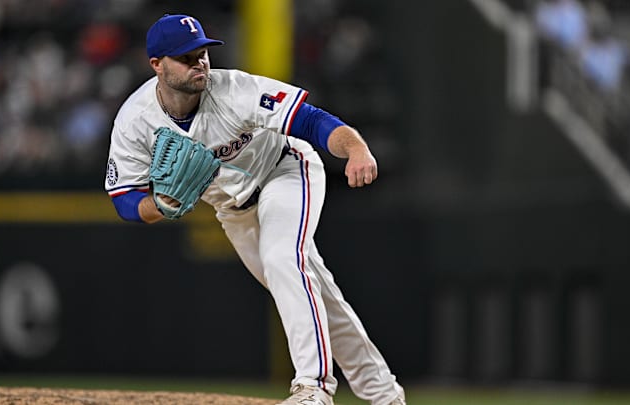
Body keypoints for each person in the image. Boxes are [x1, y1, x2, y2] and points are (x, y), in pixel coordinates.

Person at [103, 13, 406, 405]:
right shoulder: (135, 121)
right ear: (156, 65)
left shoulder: (233, 90)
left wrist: (355, 148)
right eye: (185, 57)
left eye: (202, 53)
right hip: (233, 210)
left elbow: (311, 121)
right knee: (311, 294)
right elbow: (124, 200)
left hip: (284, 172)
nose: (199, 63)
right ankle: (385, 395)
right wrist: (159, 205)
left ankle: (312, 388)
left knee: (283, 259)